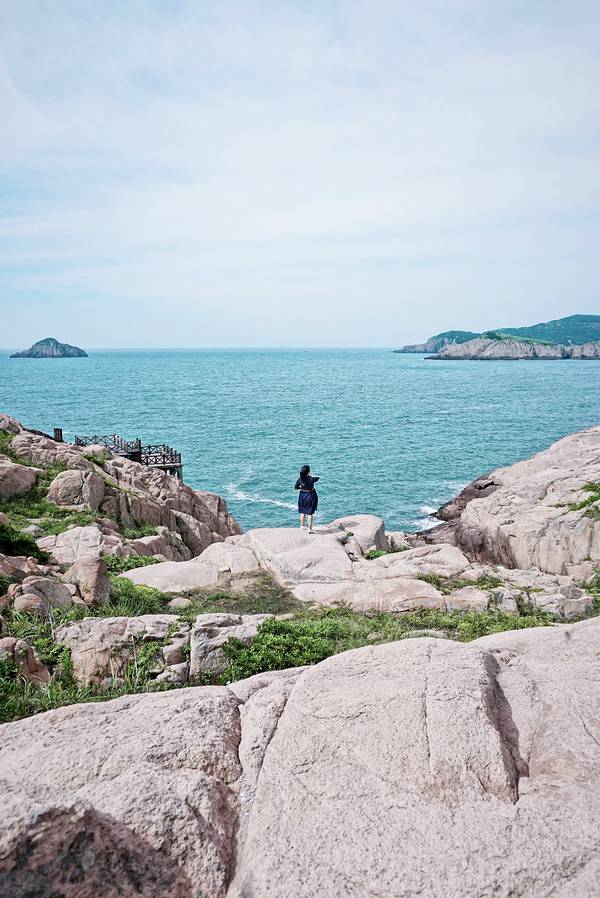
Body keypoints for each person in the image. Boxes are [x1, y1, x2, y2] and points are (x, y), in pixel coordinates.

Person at [295, 464, 319, 532]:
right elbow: (317, 478)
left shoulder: (299, 479)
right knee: (310, 513)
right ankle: (309, 529)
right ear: (308, 472)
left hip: (302, 495)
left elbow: (296, 487)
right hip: (310, 495)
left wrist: (302, 487)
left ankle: (302, 526)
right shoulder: (311, 478)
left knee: (303, 511)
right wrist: (310, 475)